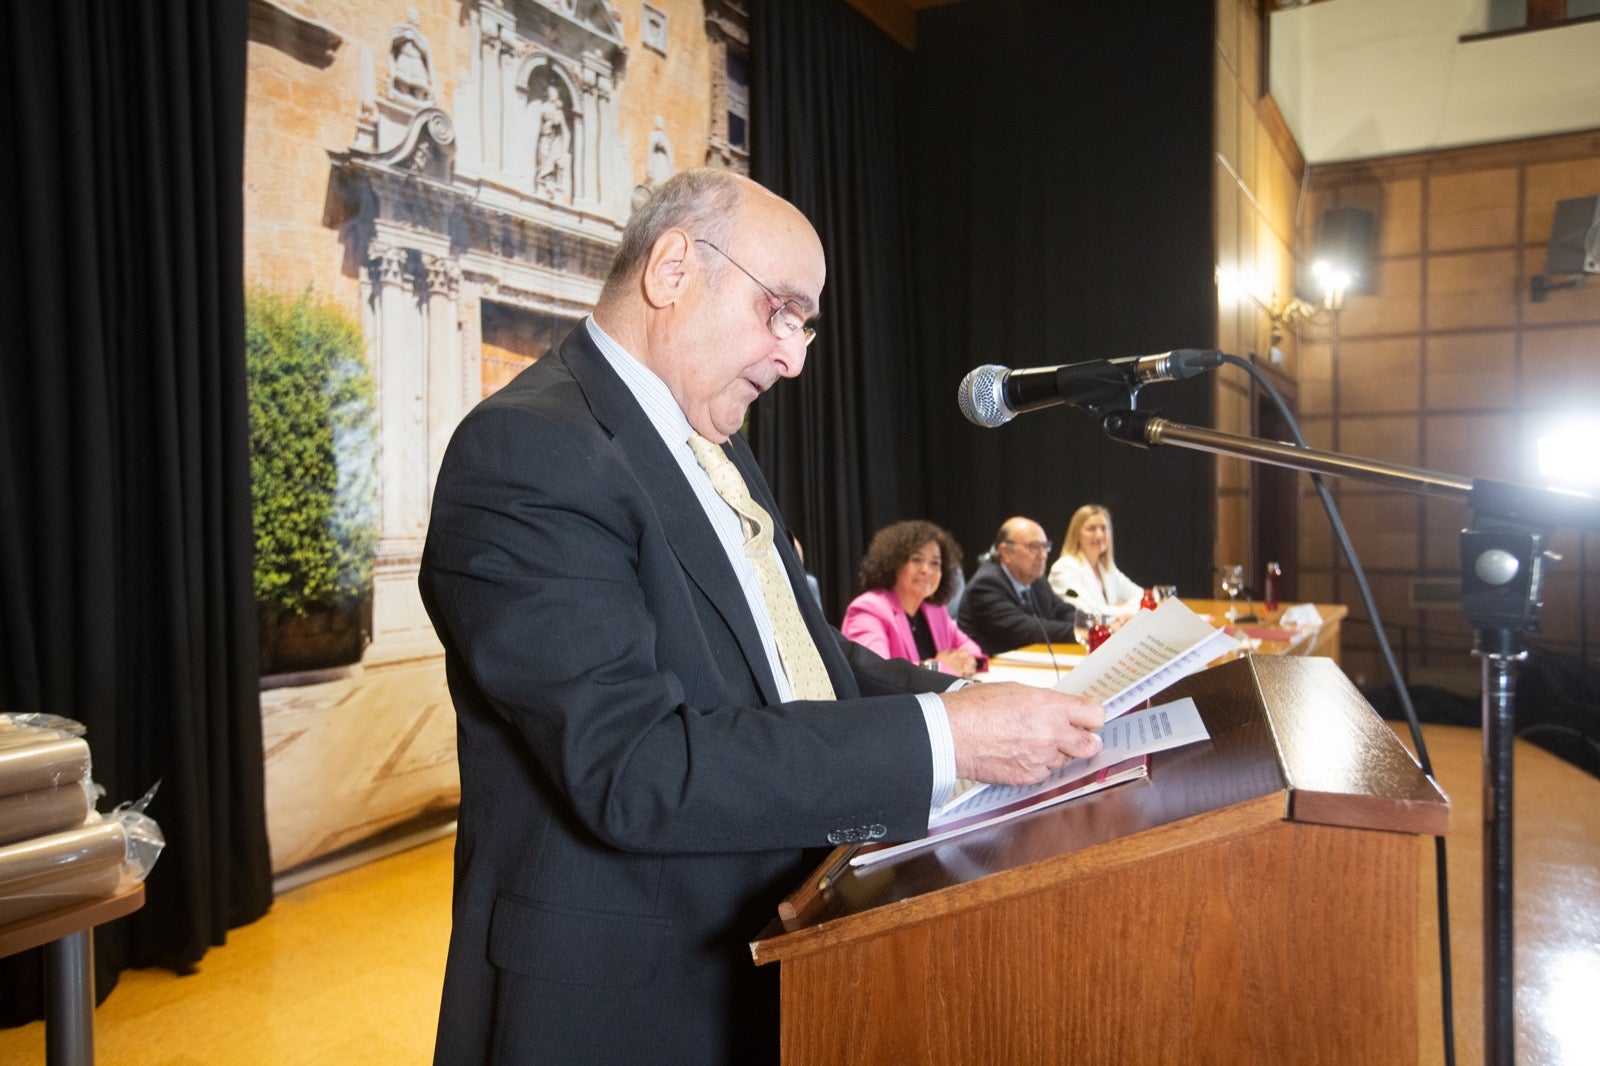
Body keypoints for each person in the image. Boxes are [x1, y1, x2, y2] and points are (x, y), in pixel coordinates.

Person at [418, 168, 1105, 1064]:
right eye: (781, 312)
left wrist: (983, 705)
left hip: (775, 945)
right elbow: (636, 767)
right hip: (628, 1000)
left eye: (806, 325)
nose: (795, 358)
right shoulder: (529, 450)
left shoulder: (716, 444)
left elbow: (810, 662)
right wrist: (947, 738)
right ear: (672, 270)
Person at [842, 520, 986, 678]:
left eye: (935, 563)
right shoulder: (869, 609)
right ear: (895, 563)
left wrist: (967, 662)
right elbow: (875, 673)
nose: (926, 570)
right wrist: (938, 667)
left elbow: (970, 648)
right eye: (917, 559)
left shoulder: (935, 610)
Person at [956, 516, 1080, 656]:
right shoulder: (986, 585)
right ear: (1006, 552)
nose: (1043, 555)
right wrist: (1084, 632)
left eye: (1045, 546)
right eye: (1034, 547)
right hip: (994, 670)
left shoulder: (1036, 580)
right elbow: (1029, 631)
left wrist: (1093, 625)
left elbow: (1062, 611)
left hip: (1027, 661)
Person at [1049, 504, 1143, 612]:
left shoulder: (1106, 569)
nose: (1099, 535)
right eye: (1091, 529)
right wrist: (1121, 609)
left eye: (1103, 528)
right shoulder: (1064, 568)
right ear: (1076, 534)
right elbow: (1087, 613)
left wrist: (1119, 608)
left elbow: (1142, 597)